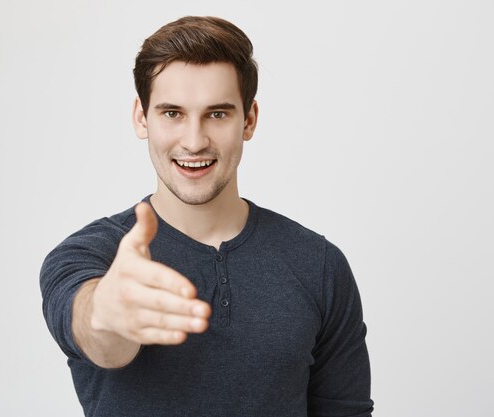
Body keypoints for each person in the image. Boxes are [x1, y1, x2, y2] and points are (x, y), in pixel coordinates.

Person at [40, 15, 374, 417]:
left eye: (217, 114)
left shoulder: (319, 265)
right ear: (141, 117)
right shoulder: (88, 255)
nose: (194, 141)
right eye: (172, 113)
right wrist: (109, 314)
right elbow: (94, 333)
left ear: (248, 120)